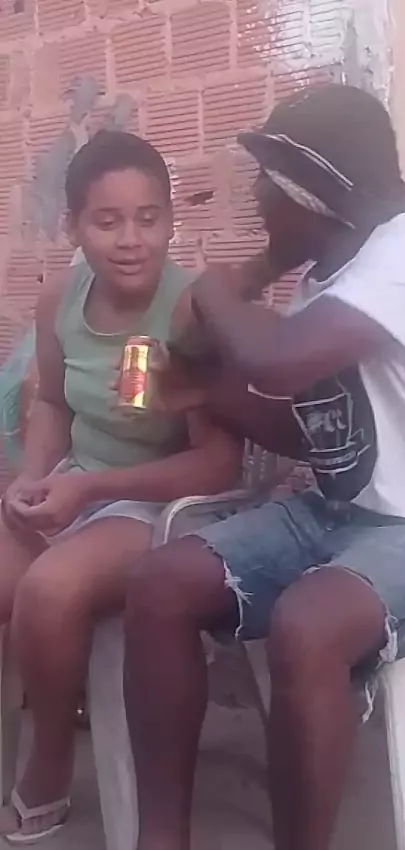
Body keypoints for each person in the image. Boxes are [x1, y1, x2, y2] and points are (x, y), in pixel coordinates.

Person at [123, 84, 405, 850]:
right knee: (158, 585)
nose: (256, 199)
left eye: (270, 182)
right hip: (342, 515)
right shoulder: (332, 277)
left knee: (309, 624)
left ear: (315, 194)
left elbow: (276, 361)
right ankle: (160, 840)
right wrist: (205, 392)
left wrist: (224, 285)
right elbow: (320, 436)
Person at [0, 130, 242, 843]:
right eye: (107, 221)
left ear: (170, 219)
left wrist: (93, 489)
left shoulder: (192, 309)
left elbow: (218, 466)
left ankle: (48, 760)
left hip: (168, 508)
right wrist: (34, 478)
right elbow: (52, 404)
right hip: (81, 485)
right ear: (73, 226)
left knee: (50, 590)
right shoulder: (58, 299)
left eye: (149, 218)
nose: (132, 240)